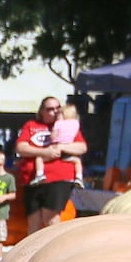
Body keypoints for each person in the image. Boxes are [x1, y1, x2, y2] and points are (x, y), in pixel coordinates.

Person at [15, 96, 87, 234]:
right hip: (32, 179)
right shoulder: (31, 125)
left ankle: (53, 253)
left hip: (58, 178)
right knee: (33, 222)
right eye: (50, 109)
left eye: (57, 108)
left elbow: (82, 147)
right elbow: (21, 147)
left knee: (51, 220)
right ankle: (32, 253)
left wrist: (61, 147)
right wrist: (44, 152)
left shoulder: (67, 125)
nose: (54, 111)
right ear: (42, 111)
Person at [31, 103, 85, 187]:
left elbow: (53, 137)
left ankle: (39, 174)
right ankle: (79, 177)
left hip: (56, 147)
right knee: (77, 161)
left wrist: (52, 135)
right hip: (68, 150)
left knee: (39, 158)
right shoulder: (76, 124)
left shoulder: (58, 123)